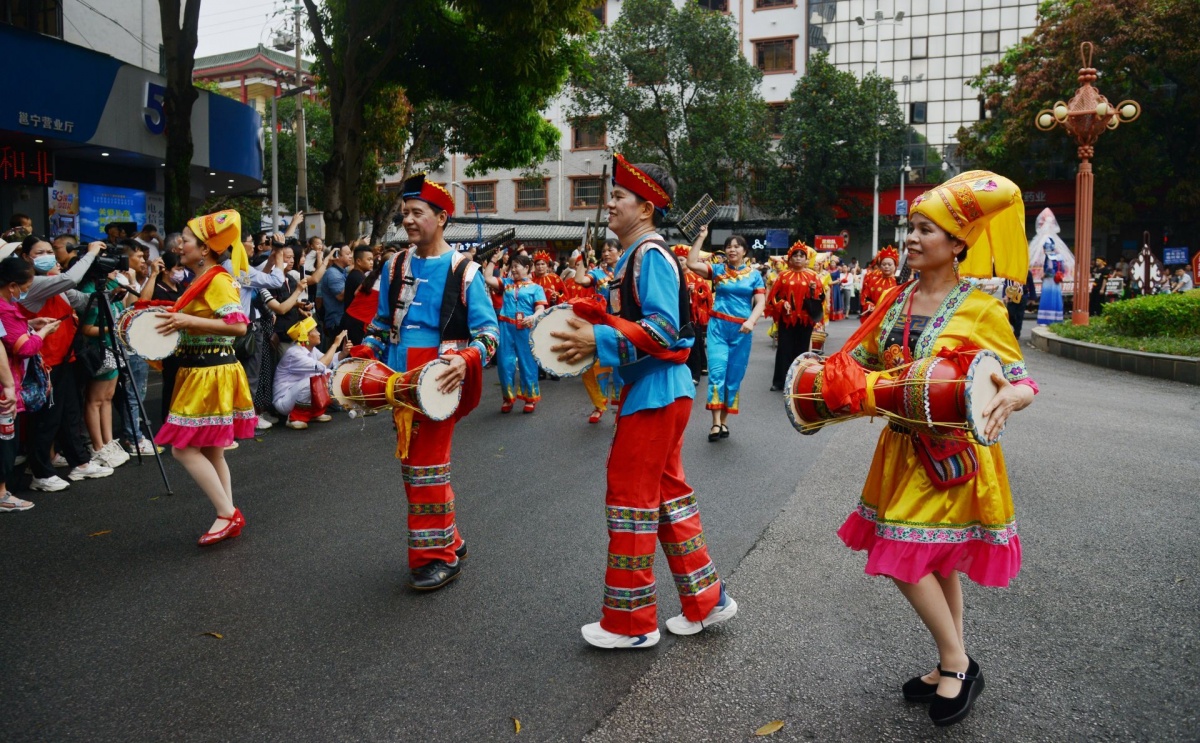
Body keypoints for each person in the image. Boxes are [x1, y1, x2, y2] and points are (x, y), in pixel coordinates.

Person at [827, 170, 1037, 727]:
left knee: (903, 554)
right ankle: (955, 663)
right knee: (937, 558)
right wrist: (829, 377)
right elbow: (867, 360)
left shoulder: (981, 307)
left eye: (926, 230)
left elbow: (1020, 377)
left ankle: (955, 660)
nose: (912, 239)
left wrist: (1012, 398)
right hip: (900, 446)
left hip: (952, 455)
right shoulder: (897, 300)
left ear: (958, 244)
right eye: (910, 229)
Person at [549, 155, 737, 648]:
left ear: (647, 207)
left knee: (631, 500)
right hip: (660, 388)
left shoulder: (649, 254)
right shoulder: (640, 254)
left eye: (618, 197)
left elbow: (663, 330)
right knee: (669, 496)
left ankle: (631, 624)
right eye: (611, 195)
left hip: (655, 389)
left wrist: (599, 342)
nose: (609, 203)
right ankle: (707, 600)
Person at [366, 174, 499, 591]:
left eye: (416, 212)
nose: (407, 220)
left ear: (441, 218)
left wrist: (467, 358)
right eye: (404, 213)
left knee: (425, 469)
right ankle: (451, 540)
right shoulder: (394, 265)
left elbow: (489, 335)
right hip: (397, 379)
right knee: (416, 468)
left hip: (439, 380)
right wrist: (365, 352)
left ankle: (436, 557)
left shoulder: (466, 271)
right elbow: (380, 324)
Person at [153, 210, 257, 546]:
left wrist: (187, 322)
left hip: (209, 371)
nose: (179, 245)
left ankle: (227, 514)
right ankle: (226, 512)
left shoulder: (218, 280)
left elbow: (239, 326)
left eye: (185, 240)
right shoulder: (202, 280)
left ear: (206, 249)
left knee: (183, 450)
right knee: (212, 451)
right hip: (201, 369)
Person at [18, 238, 113, 489]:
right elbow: (70, 280)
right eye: (40, 252)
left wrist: (112, 291)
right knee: (46, 420)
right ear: (26, 257)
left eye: (50, 251)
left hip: (66, 357)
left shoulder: (54, 283)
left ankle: (80, 462)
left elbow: (82, 300)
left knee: (69, 414)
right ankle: (40, 473)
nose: (48, 256)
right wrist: (91, 254)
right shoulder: (34, 284)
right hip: (45, 361)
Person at [686, 232, 765, 442]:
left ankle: (725, 421)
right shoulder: (718, 270)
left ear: (744, 251)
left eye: (737, 246)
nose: (732, 249)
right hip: (718, 328)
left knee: (733, 378)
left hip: (742, 331)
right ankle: (715, 423)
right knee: (717, 373)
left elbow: (761, 302)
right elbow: (692, 263)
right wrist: (701, 237)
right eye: (729, 246)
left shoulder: (754, 275)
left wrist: (751, 321)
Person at [0, 257, 62, 504]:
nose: (25, 293)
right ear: (12, 285)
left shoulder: (6, 308)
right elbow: (22, 348)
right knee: (5, 441)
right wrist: (42, 333)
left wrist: (28, 324)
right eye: (25, 288)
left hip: (9, 383)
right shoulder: (3, 308)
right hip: (6, 387)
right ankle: (2, 494)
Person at [483, 253, 547, 413]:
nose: (514, 270)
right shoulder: (506, 284)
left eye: (517, 266)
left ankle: (530, 398)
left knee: (527, 363)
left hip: (525, 328)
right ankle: (507, 398)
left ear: (527, 268)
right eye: (512, 267)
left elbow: (541, 309)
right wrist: (493, 260)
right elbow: (487, 277)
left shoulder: (536, 288)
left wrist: (532, 317)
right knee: (505, 363)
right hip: (506, 327)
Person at [571, 239, 625, 423]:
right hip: (601, 324)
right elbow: (580, 280)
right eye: (604, 250)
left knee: (620, 366)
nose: (606, 253)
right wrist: (583, 260)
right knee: (596, 366)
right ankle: (598, 404)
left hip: (621, 324)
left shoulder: (628, 272)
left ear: (621, 251)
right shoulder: (597, 273)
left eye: (610, 250)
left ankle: (621, 406)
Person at [765, 241, 823, 391]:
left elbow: (820, 298)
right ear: (790, 259)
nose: (798, 258)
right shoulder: (783, 276)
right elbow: (774, 297)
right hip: (787, 319)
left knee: (802, 349)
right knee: (784, 348)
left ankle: (799, 380)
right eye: (795, 255)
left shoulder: (813, 276)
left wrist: (813, 291)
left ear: (806, 259)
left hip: (805, 320)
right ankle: (779, 382)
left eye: (801, 256)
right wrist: (782, 303)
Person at [273, 317, 346, 429]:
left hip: (295, 394)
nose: (319, 333)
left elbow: (327, 361)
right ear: (306, 336)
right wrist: (335, 344)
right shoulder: (294, 353)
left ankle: (315, 413)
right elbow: (321, 365)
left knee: (328, 374)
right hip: (284, 401)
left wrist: (343, 352)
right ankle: (294, 417)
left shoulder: (310, 349)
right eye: (315, 331)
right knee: (314, 379)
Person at [674, 244, 712, 386]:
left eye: (682, 260)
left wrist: (694, 292)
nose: (680, 263)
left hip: (693, 317)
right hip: (678, 316)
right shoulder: (674, 277)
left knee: (695, 345)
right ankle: (696, 367)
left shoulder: (697, 277)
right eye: (677, 260)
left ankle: (695, 374)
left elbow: (706, 295)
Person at [338, 243, 374, 344]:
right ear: (358, 261)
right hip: (354, 324)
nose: (372, 262)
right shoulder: (358, 278)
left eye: (372, 259)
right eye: (369, 259)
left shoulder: (356, 275)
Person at [318, 243, 352, 344]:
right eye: (348, 254)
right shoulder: (333, 273)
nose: (351, 256)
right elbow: (341, 296)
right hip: (336, 322)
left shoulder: (342, 271)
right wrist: (354, 282)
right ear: (337, 256)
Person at [860, 246, 899, 320]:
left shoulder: (899, 282)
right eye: (884, 264)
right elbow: (866, 298)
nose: (886, 267)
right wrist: (870, 305)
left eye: (889, 264)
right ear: (880, 266)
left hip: (892, 319)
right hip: (875, 318)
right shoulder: (873, 281)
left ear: (895, 266)